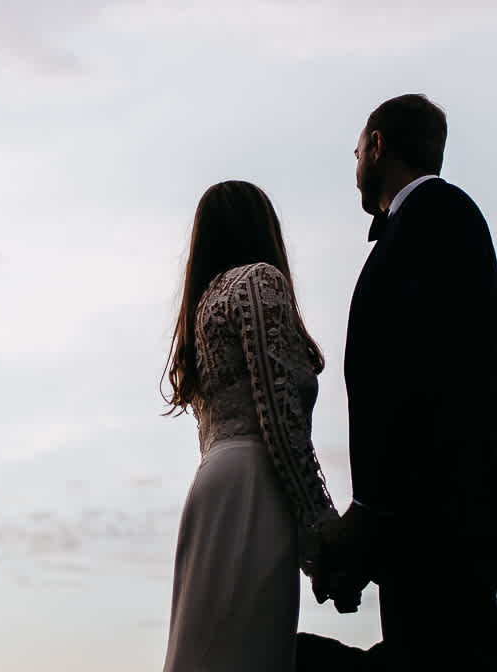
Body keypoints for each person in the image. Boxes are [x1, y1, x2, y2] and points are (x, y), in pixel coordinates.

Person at [320, 93, 497, 670]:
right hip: (422, 523)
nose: (355, 162)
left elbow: (416, 379)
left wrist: (369, 517)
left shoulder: (439, 216)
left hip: (440, 525)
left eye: (357, 149)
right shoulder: (429, 224)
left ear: (379, 146)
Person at [160, 180, 350, 672]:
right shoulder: (259, 283)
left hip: (212, 486)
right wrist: (324, 537)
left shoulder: (202, 307)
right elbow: (280, 419)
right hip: (255, 485)